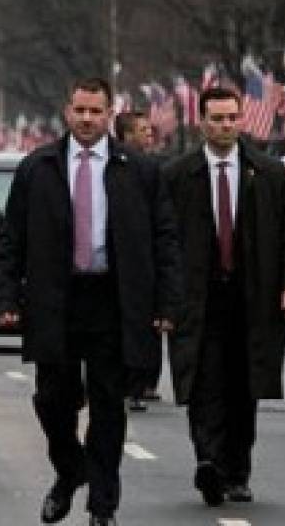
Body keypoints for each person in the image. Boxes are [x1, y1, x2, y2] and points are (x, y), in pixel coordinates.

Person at [0, 78, 180, 526]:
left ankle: (102, 504)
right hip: (55, 299)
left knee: (107, 405)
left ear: (109, 113)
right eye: (80, 110)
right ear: (66, 111)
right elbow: (11, 240)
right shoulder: (37, 167)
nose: (87, 119)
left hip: (113, 300)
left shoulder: (137, 170)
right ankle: (70, 470)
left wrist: (167, 303)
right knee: (51, 399)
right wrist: (5, 295)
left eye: (96, 111)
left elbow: (165, 241)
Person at [160, 87, 285, 507]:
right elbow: (163, 240)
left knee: (243, 388)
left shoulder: (270, 174)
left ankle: (237, 472)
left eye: (232, 118)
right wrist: (163, 301)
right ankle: (209, 463)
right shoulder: (177, 176)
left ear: (242, 119)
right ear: (201, 121)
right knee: (202, 383)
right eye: (217, 118)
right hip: (198, 300)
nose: (225, 126)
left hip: (252, 299)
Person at [114, 110, 163, 412]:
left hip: (145, 264)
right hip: (117, 264)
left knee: (147, 328)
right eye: (142, 130)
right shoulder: (111, 166)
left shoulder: (152, 170)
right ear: (126, 134)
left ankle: (143, 380)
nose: (149, 135)